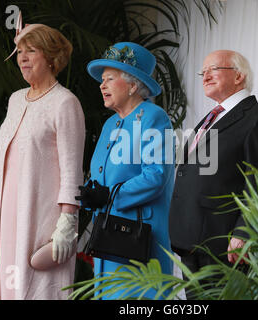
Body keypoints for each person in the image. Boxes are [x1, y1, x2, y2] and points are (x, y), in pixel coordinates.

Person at [0, 17, 86, 300]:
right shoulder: (16, 99)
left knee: (40, 290)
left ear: (52, 56)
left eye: (31, 50)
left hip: (42, 219)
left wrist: (68, 224)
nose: (22, 58)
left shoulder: (65, 102)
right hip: (7, 215)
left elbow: (72, 169)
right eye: (19, 52)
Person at [80, 42, 174, 299]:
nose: (102, 85)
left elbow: (156, 175)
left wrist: (109, 195)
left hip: (137, 241)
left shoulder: (154, 117)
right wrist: (91, 194)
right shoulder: (111, 124)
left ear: (133, 85)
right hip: (109, 238)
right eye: (102, 79)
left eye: (110, 78)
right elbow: (101, 175)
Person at [168, 50, 258, 282]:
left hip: (224, 244)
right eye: (202, 72)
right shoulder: (212, 117)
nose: (205, 77)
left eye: (213, 69)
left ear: (238, 76)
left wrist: (245, 231)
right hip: (192, 240)